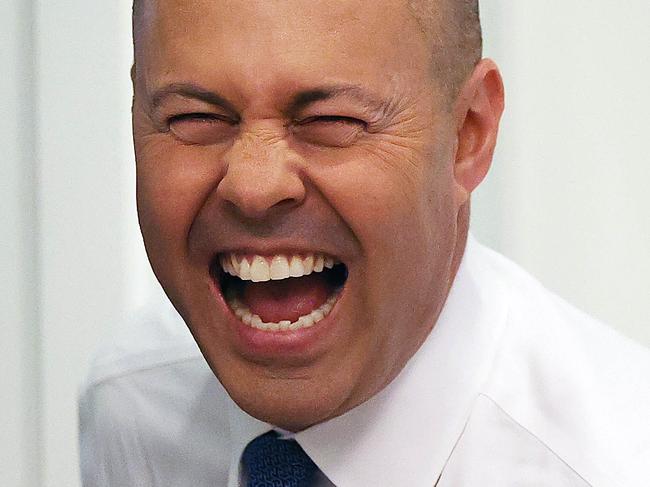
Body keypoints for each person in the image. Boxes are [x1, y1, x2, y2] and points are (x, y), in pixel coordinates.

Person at [79, 1, 650, 485]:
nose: (254, 186)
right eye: (195, 117)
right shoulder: (134, 404)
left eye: (332, 120)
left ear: (468, 134)